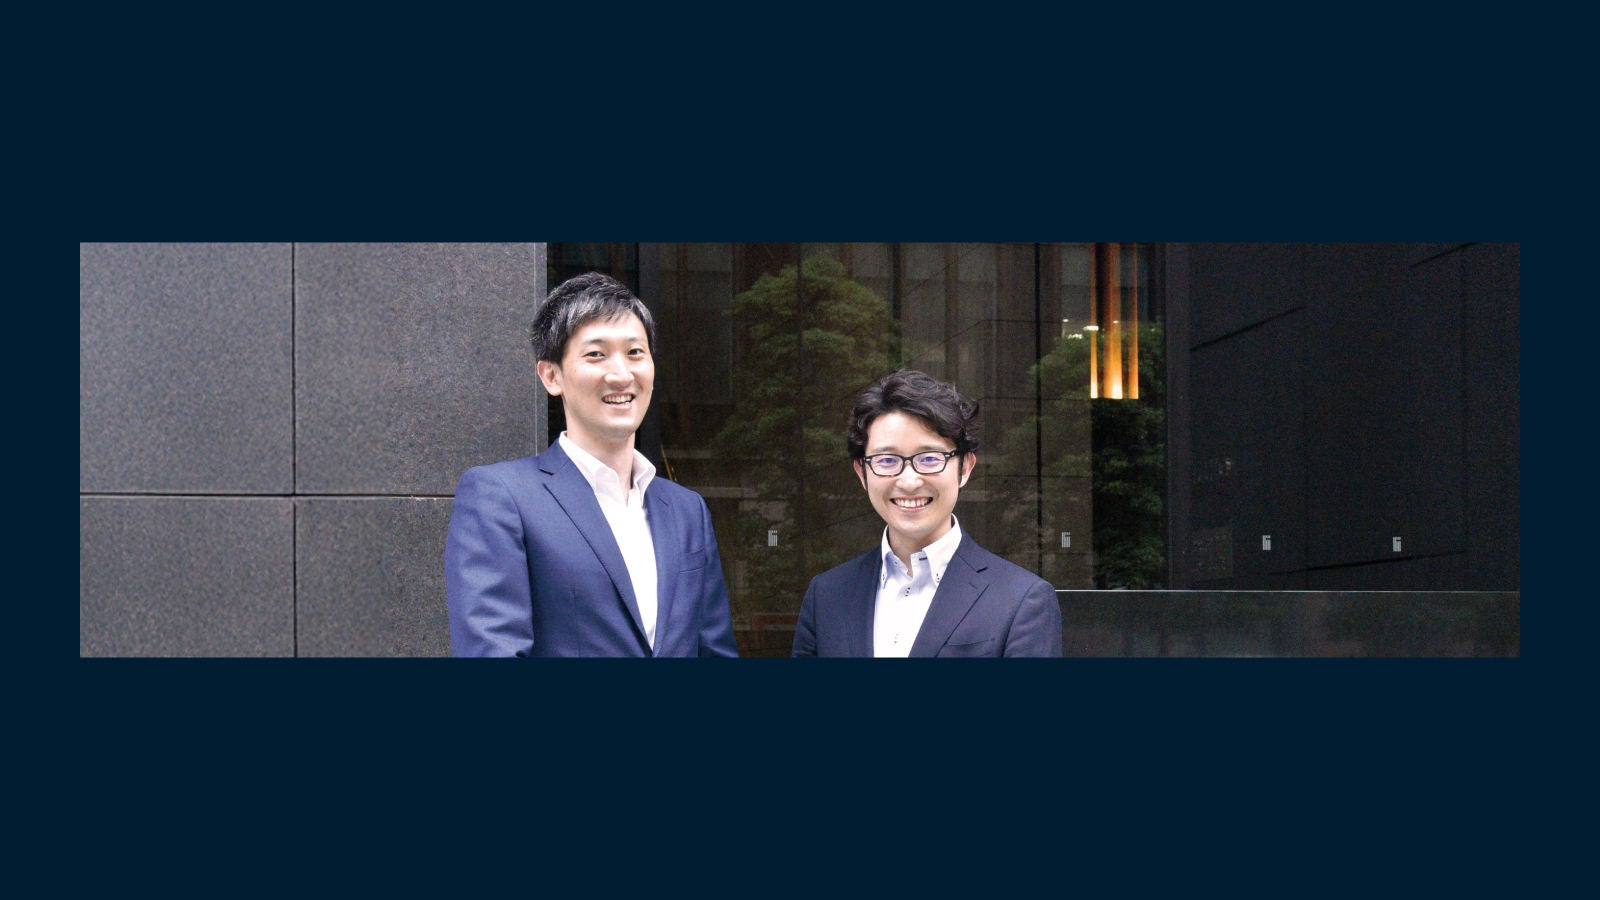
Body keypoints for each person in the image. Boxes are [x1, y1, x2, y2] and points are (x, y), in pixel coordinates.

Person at [445, 271, 738, 657]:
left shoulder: (687, 510)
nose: (621, 374)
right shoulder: (501, 498)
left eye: (635, 353)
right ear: (552, 375)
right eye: (596, 354)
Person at [792, 369, 1063, 657]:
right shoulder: (827, 595)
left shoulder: (1021, 599)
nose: (909, 481)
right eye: (886, 460)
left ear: (966, 467)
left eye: (930, 458)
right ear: (862, 472)